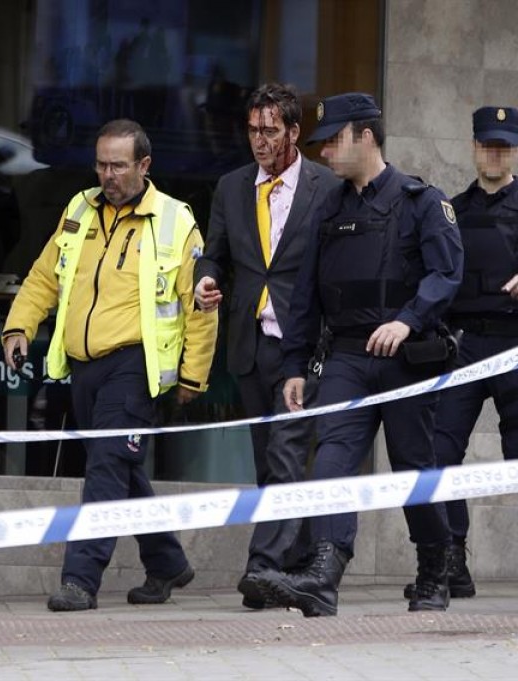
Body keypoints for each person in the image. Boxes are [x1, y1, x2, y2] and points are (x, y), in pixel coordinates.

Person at [253, 93, 464, 616]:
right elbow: (305, 295)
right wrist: (296, 367)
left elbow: (447, 274)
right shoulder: (330, 208)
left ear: (365, 137)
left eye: (335, 140)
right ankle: (324, 575)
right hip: (347, 358)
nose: (325, 153)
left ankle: (436, 568)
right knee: (331, 461)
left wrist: (407, 319)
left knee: (414, 468)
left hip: (407, 359)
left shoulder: (420, 201)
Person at [2, 119, 218, 611]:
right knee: (121, 467)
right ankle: (166, 562)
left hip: (134, 368)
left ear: (144, 165)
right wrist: (19, 327)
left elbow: (201, 306)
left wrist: (193, 375)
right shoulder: (79, 208)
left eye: (118, 165)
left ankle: (81, 579)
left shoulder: (174, 221)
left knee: (104, 468)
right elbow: (43, 277)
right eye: (101, 164)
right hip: (83, 367)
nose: (108, 174)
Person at [404, 107, 518, 602]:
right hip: (463, 345)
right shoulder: (453, 210)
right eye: (487, 145)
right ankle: (452, 559)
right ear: (474, 147)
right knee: (439, 454)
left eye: (503, 146)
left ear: (516, 150)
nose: (495, 154)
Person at [194, 83, 341, 609]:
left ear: (294, 132)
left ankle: (263, 569)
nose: (259, 141)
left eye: (270, 131)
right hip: (250, 344)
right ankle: (295, 563)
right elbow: (213, 256)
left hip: (303, 346)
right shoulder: (231, 187)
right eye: (253, 130)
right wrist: (205, 281)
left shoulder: (326, 187)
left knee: (285, 455)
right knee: (268, 462)